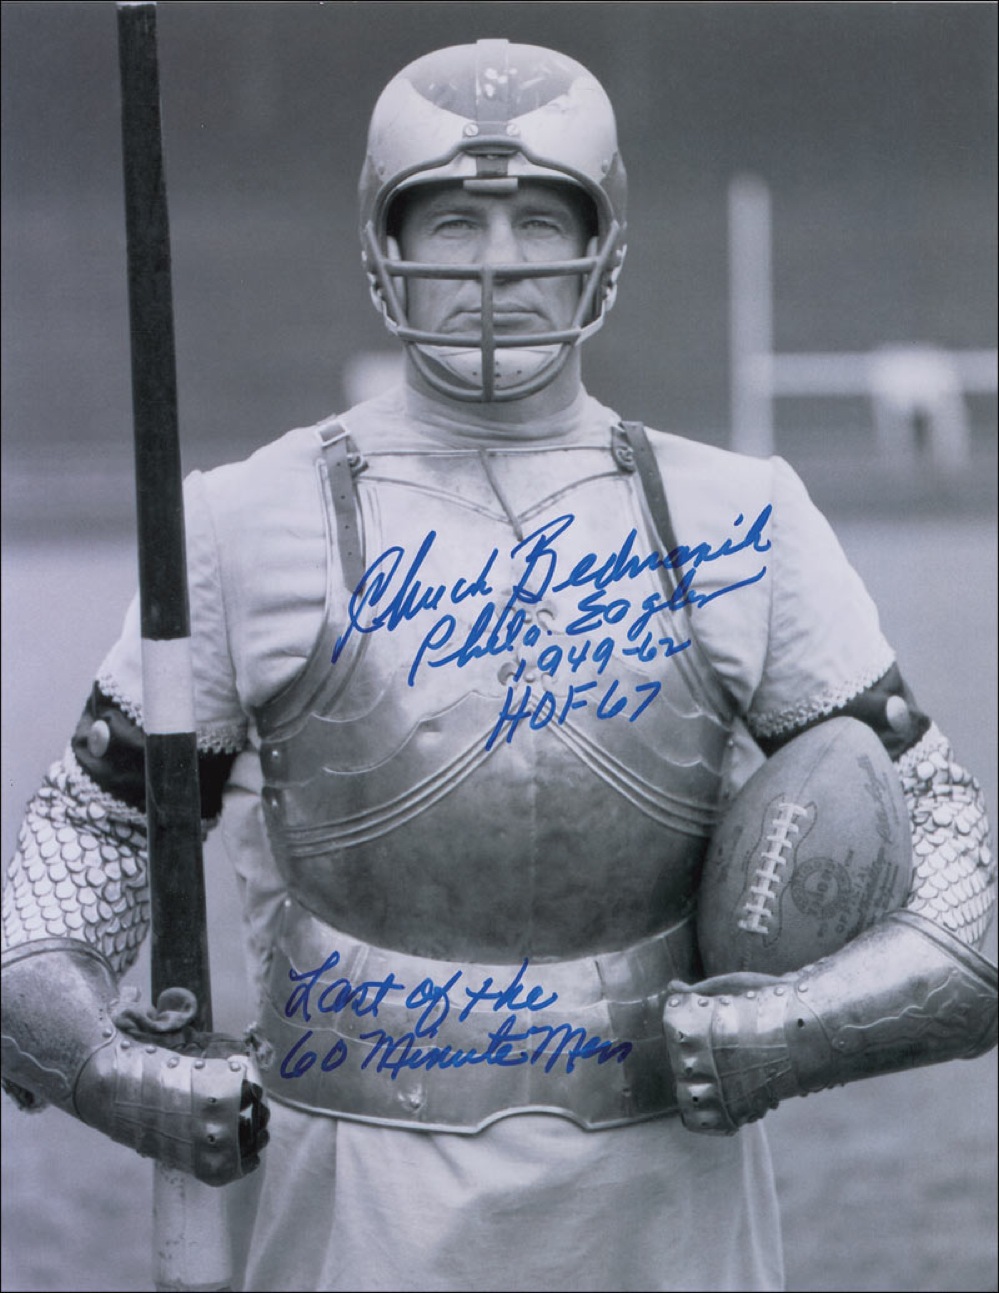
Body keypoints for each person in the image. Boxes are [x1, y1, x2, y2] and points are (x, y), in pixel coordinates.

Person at [2, 39, 996, 1293]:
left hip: (665, 1212)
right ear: (383, 241)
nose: (496, 263)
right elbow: (75, 865)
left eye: (539, 218)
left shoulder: (742, 514)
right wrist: (112, 1073)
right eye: (452, 220)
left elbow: (961, 895)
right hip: (352, 1204)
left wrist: (783, 1036)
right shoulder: (239, 523)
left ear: (604, 241)